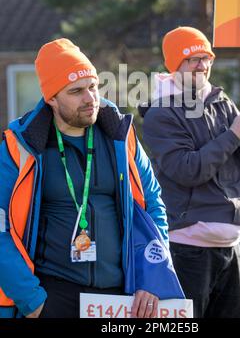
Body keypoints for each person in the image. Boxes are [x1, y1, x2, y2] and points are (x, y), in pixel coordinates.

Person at [0, 38, 170, 319]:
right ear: (51, 98)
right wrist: (33, 302)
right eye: (76, 91)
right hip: (52, 296)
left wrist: (152, 277)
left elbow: (153, 205)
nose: (90, 98)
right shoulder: (18, 146)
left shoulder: (120, 134)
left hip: (121, 296)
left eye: (93, 87)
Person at [141, 26, 240, 318]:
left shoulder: (221, 102)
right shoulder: (161, 113)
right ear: (174, 64)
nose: (202, 65)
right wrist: (233, 135)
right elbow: (187, 170)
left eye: (206, 57)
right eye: (191, 59)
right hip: (187, 249)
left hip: (232, 245)